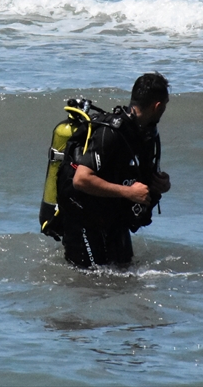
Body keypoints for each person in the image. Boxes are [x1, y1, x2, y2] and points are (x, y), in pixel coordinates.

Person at [60, 72, 172, 269]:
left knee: (124, 276)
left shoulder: (145, 134)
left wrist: (160, 184)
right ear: (158, 105)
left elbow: (136, 176)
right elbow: (81, 179)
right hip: (84, 219)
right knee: (88, 283)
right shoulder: (111, 132)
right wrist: (129, 192)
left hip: (113, 218)